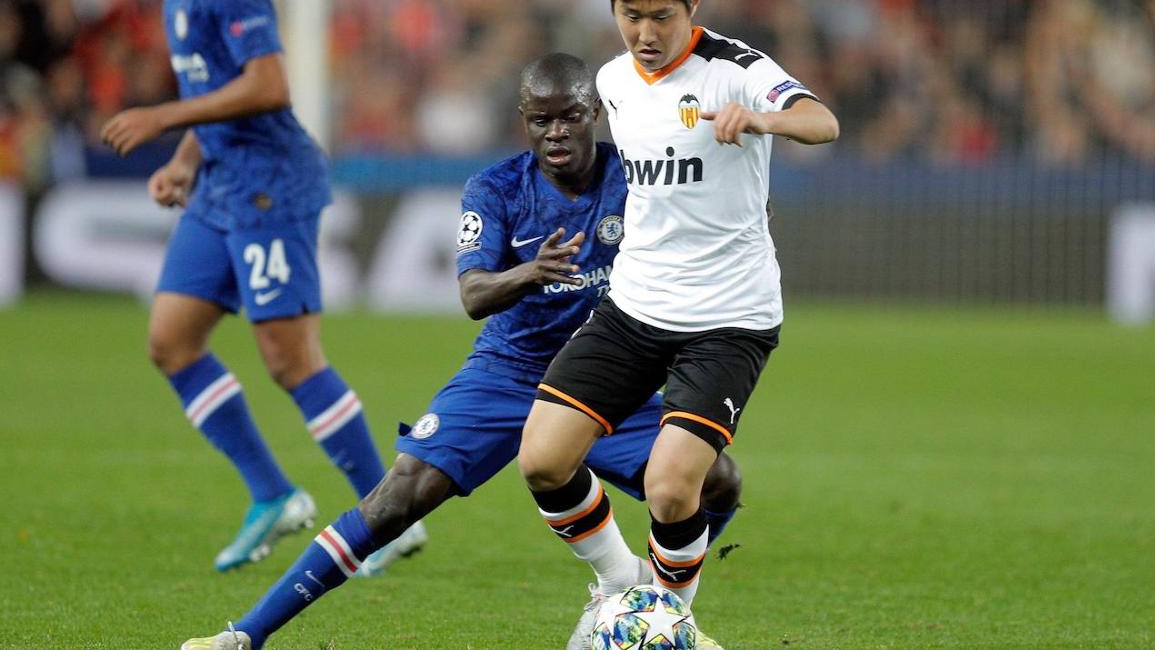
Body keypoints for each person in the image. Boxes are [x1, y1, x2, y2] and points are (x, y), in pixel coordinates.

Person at [180, 52, 744, 650]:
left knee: (718, 480)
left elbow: (701, 222)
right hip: (509, 371)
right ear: (523, 119)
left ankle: (644, 612)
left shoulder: (636, 178)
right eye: (541, 119)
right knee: (399, 497)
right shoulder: (497, 188)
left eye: (570, 116)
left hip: (605, 374)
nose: (556, 132)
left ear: (597, 114)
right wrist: (530, 273)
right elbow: (473, 294)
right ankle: (244, 636)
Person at [516, 0, 840, 649]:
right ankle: (622, 587)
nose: (646, 32)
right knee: (542, 458)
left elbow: (823, 123)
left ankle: (670, 625)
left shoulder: (738, 70)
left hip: (729, 317)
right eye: (631, 15)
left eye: (661, 15)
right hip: (635, 307)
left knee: (668, 486)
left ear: (695, 2)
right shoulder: (610, 82)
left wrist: (764, 122)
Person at [102, 0, 426, 572]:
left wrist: (163, 120)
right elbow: (209, 92)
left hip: (270, 188)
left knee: (290, 359)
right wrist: (187, 159)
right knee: (171, 341)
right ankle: (272, 494)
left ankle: (389, 514)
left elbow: (269, 85)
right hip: (220, 183)